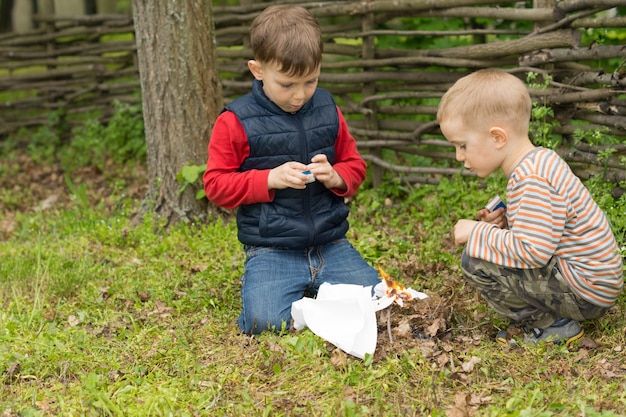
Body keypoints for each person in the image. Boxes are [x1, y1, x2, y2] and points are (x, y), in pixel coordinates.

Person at [203, 5, 380, 335]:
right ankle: (316, 301)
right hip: (272, 248)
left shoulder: (327, 108)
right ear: (258, 70)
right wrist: (269, 178)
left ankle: (317, 297)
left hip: (331, 244)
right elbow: (215, 185)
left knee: (378, 301)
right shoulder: (235, 121)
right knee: (264, 321)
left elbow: (355, 165)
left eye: (310, 81)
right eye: (287, 84)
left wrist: (336, 176)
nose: (300, 95)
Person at [437, 69, 624, 346]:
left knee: (475, 260)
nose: (459, 156)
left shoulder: (531, 180)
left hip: (585, 292)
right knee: (490, 249)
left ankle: (552, 326)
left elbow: (534, 251)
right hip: (592, 284)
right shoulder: (540, 162)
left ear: (498, 137)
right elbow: (548, 232)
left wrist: (477, 233)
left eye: (463, 145)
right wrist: (505, 225)